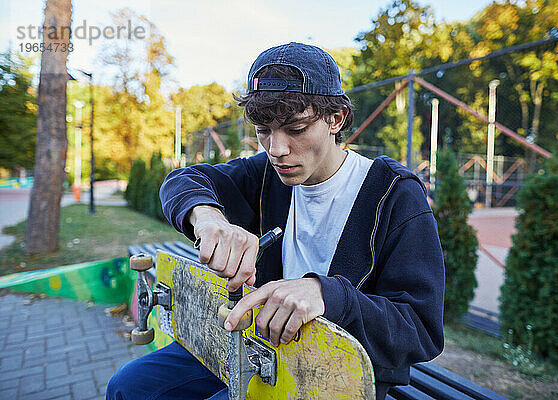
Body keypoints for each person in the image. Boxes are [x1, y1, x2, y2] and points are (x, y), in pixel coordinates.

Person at [107, 42, 445, 400]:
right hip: (261, 343)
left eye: (296, 128)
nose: (277, 148)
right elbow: (182, 181)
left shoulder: (393, 192)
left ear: (336, 119)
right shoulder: (268, 172)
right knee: (128, 386)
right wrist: (207, 218)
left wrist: (325, 294)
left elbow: (421, 329)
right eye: (263, 129)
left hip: (334, 372)